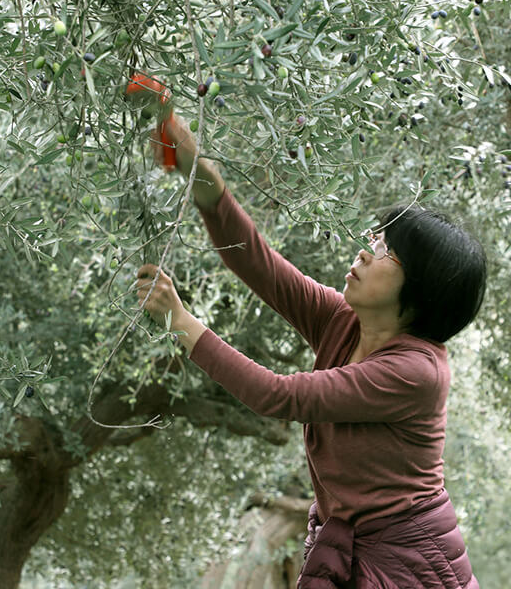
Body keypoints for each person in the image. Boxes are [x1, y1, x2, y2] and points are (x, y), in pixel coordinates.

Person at [134, 110, 486, 588]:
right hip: (355, 552)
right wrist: (199, 171)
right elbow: (261, 267)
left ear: (420, 290)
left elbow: (277, 395)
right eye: (374, 238)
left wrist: (180, 321)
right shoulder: (345, 320)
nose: (365, 251)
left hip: (411, 567)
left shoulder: (416, 372)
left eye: (386, 251)